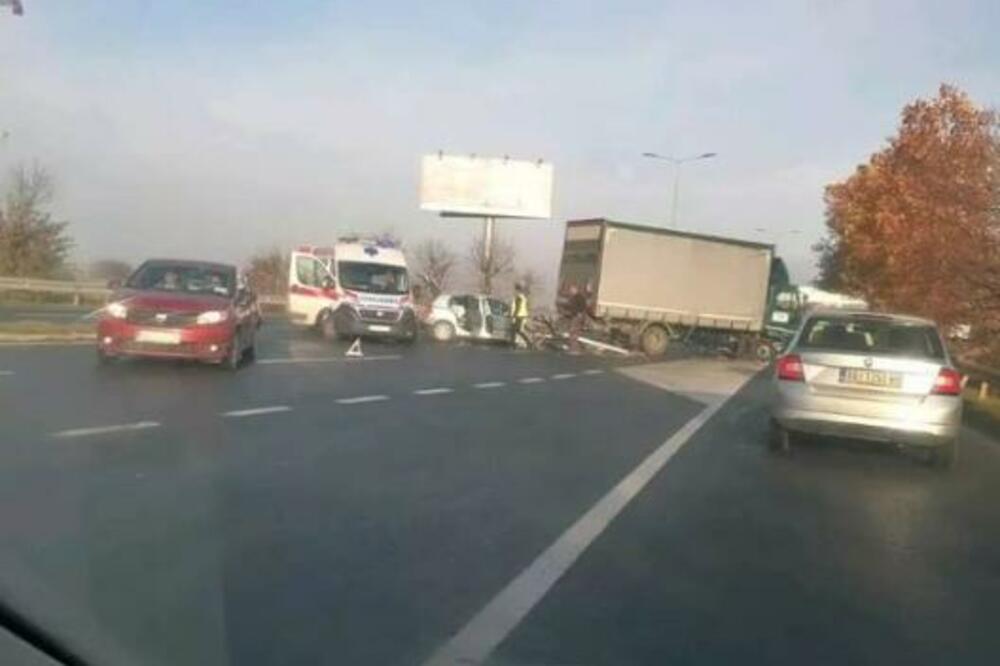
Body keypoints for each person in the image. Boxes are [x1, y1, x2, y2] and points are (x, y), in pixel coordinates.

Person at [510, 283, 532, 349]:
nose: (514, 291)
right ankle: (527, 343)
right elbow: (527, 307)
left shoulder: (518, 297)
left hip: (518, 315)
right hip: (522, 315)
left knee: (514, 330)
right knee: (517, 330)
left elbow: (517, 307)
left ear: (517, 290)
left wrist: (514, 316)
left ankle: (513, 344)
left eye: (515, 290)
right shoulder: (524, 297)